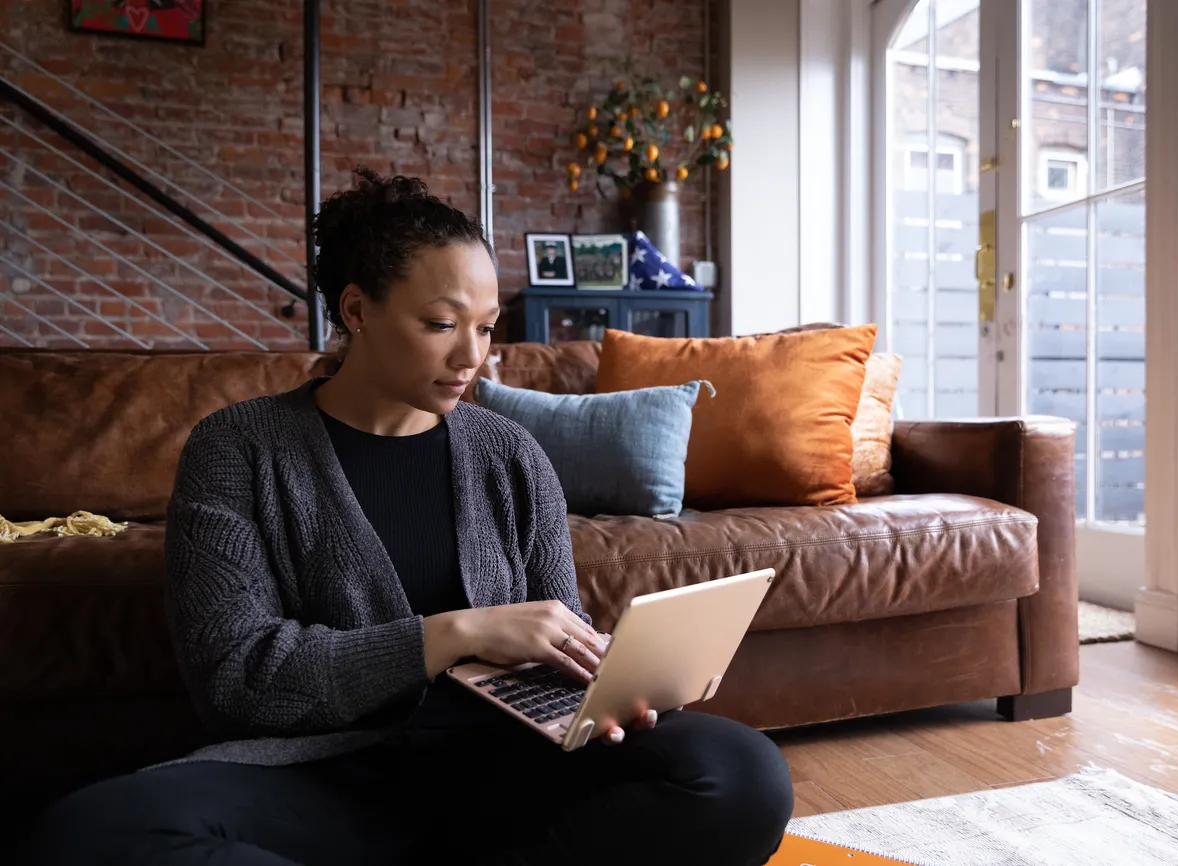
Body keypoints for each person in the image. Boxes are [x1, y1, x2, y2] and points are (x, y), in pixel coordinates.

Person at [22, 167, 792, 866]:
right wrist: (450, 634)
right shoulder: (238, 449)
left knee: (741, 772)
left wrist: (619, 680)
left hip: (504, 765)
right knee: (89, 834)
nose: (473, 355)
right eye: (441, 323)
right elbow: (238, 682)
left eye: (487, 326)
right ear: (357, 309)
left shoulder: (511, 454)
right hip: (326, 778)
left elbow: (560, 631)